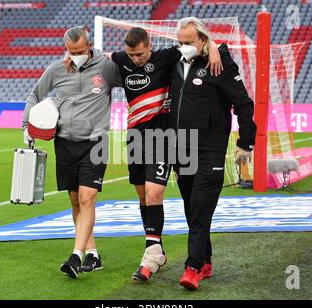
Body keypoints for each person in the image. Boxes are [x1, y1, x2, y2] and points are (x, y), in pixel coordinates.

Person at [64, 26, 223, 283]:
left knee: (154, 192)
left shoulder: (167, 56)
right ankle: (156, 248)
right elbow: (93, 55)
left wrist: (214, 47)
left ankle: (151, 256)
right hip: (135, 138)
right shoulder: (120, 60)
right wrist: (71, 58)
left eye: (140, 54)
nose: (136, 59)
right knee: (143, 195)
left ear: (149, 46)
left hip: (163, 137)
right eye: (132, 54)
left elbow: (198, 47)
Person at [22, 26, 122, 279]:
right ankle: (92, 254)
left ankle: (76, 255)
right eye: (70, 50)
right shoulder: (57, 68)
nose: (74, 55)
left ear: (89, 46)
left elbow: (134, 79)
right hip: (64, 143)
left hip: (95, 141)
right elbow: (35, 95)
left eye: (79, 50)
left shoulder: (106, 67)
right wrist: (27, 125)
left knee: (88, 197)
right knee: (76, 200)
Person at [169, 17, 257, 290]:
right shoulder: (173, 62)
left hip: (210, 150)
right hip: (180, 149)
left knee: (200, 209)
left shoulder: (220, 64)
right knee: (190, 209)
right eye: (180, 42)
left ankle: (192, 267)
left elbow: (243, 103)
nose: (183, 47)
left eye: (188, 42)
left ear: (203, 40)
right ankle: (205, 261)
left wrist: (246, 142)